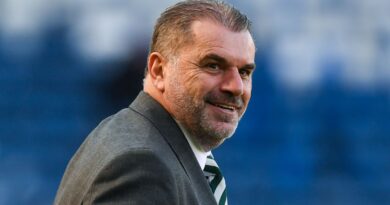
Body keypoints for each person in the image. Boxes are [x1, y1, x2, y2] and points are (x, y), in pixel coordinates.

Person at [54, 0, 256, 204]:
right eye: (213, 66)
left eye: (244, 72)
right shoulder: (144, 165)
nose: (236, 86)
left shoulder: (137, 140)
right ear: (159, 70)